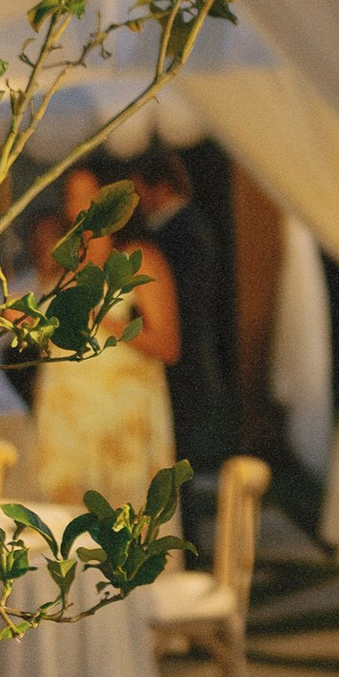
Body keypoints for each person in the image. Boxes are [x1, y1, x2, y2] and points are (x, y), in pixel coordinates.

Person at [27, 166, 180, 506]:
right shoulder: (66, 262)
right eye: (72, 197)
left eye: (90, 196)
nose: (80, 207)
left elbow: (169, 346)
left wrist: (102, 319)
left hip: (120, 417)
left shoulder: (140, 260)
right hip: (65, 415)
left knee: (122, 520)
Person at [130, 146, 240, 486]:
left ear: (161, 187)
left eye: (140, 190)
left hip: (184, 362)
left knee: (176, 465)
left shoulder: (181, 232)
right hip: (187, 358)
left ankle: (184, 535)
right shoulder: (184, 227)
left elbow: (182, 303)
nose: (138, 201)